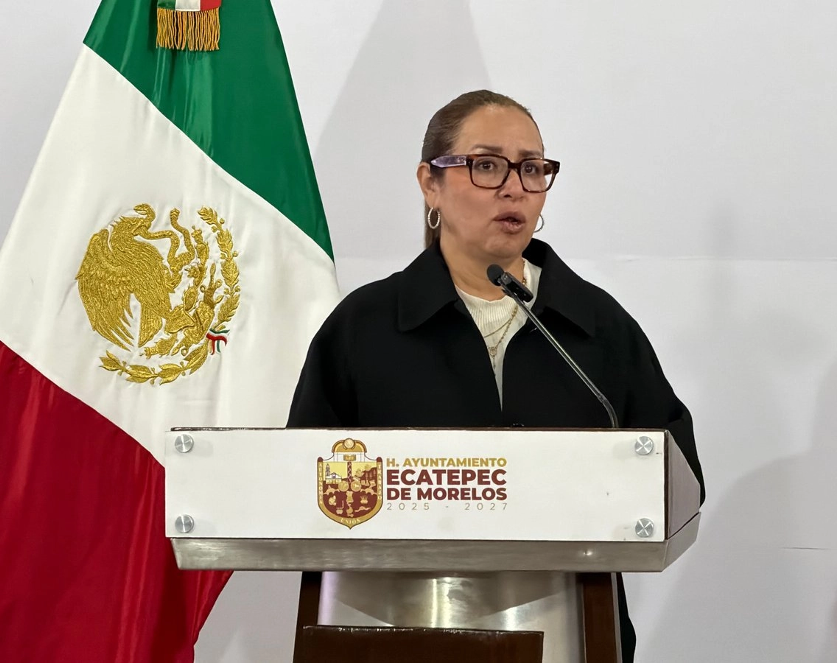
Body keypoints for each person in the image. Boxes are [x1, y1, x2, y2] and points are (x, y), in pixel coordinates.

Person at [288, 89, 705, 663]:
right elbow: (298, 486)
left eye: (532, 169)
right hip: (389, 633)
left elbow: (675, 473)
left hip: (572, 630)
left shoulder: (593, 326)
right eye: (486, 165)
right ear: (429, 184)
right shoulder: (364, 327)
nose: (514, 187)